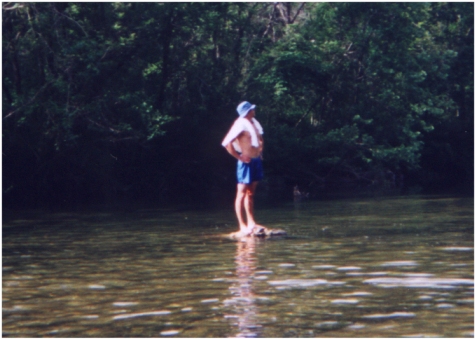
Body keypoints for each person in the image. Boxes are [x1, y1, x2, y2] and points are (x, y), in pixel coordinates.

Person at [222, 101, 264, 236]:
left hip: (256, 161)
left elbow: (260, 138)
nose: (254, 110)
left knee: (251, 193)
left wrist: (260, 151)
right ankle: (242, 225)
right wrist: (239, 157)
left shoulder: (254, 122)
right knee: (241, 193)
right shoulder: (240, 123)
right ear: (247, 111)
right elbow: (227, 143)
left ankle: (251, 222)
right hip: (246, 162)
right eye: (252, 109)